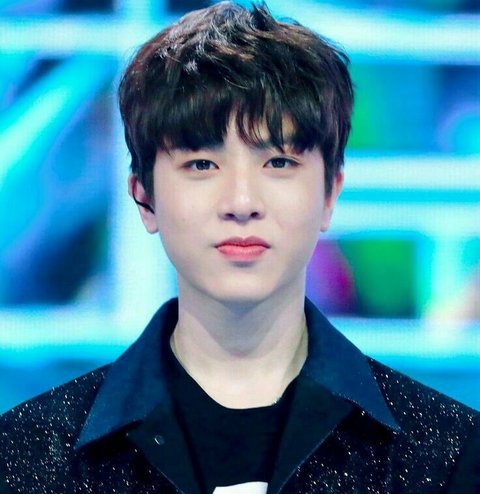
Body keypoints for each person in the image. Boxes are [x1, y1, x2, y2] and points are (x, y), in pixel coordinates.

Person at [0, 2, 478, 493]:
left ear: (330, 193)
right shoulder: (29, 457)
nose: (242, 203)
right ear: (143, 196)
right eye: (202, 164)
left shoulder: (450, 457)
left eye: (278, 163)